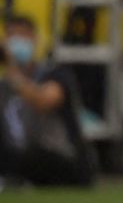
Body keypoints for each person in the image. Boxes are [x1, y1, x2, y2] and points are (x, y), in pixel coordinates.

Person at [0, 14, 96, 189]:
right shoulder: (4, 85)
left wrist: (12, 71)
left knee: (31, 155)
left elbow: (44, 101)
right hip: (20, 157)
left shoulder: (55, 74)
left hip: (62, 160)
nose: (16, 42)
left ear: (34, 38)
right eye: (11, 36)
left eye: (22, 36)